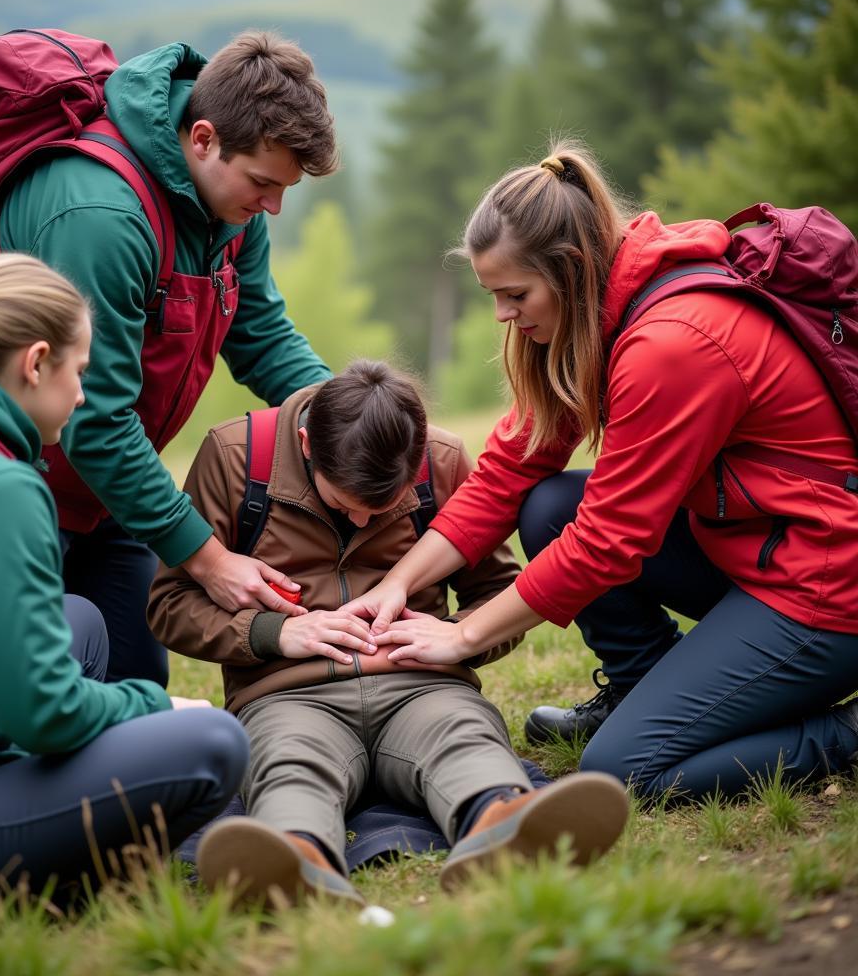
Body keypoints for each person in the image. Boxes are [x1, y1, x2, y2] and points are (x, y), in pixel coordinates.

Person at [345, 140, 858, 804]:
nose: (503, 313)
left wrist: (463, 635)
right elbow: (508, 471)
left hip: (823, 587)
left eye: (514, 293)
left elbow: (609, 542)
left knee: (623, 771)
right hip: (753, 549)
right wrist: (397, 583)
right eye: (492, 294)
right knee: (547, 505)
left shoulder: (673, 344)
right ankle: (642, 688)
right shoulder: (600, 311)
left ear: (571, 269)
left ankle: (844, 733)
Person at [0, 254, 249, 905]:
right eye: (78, 373)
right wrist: (153, 706)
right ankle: (57, 882)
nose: (83, 396)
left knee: (78, 619)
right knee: (212, 742)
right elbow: (44, 716)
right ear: (33, 364)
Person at [147, 361, 628, 905]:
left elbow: (497, 591)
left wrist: (453, 633)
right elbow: (169, 604)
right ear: (306, 444)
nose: (359, 523)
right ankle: (295, 857)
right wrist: (272, 634)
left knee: (462, 735)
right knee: (289, 762)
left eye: (380, 509)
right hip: (287, 695)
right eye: (343, 504)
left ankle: (501, 822)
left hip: (424, 685)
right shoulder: (235, 457)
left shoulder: (441, 461)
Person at [0, 32, 339, 687]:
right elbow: (97, 419)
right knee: (28, 692)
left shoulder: (230, 206)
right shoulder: (102, 218)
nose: (274, 207)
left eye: (284, 189)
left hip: (106, 491)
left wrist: (350, 413)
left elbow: (258, 331)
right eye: (264, 182)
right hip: (11, 486)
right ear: (202, 138)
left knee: (137, 685)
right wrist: (207, 557)